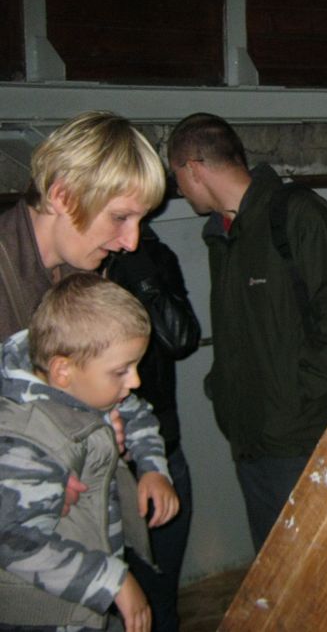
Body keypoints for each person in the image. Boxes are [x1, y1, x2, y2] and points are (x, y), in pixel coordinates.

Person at [166, 112, 327, 552]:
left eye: (177, 176)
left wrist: (296, 394)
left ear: (194, 168)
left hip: (300, 440)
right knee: (274, 569)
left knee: (313, 569)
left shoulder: (296, 215)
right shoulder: (223, 234)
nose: (179, 189)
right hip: (251, 439)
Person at [0, 109, 168, 515]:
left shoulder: (82, 274)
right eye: (120, 217)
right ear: (63, 195)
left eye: (139, 220)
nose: (131, 242)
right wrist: (34, 473)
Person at [0, 273, 180, 632]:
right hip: (47, 614)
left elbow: (137, 414)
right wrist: (112, 581)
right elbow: (14, 541)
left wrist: (153, 468)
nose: (135, 381)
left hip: (88, 597)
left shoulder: (86, 388)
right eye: (121, 371)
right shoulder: (25, 437)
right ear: (63, 371)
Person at [104, 220, 202, 632]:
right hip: (93, 471)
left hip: (159, 446)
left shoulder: (150, 255)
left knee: (158, 600)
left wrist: (140, 269)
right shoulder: (63, 269)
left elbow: (180, 338)